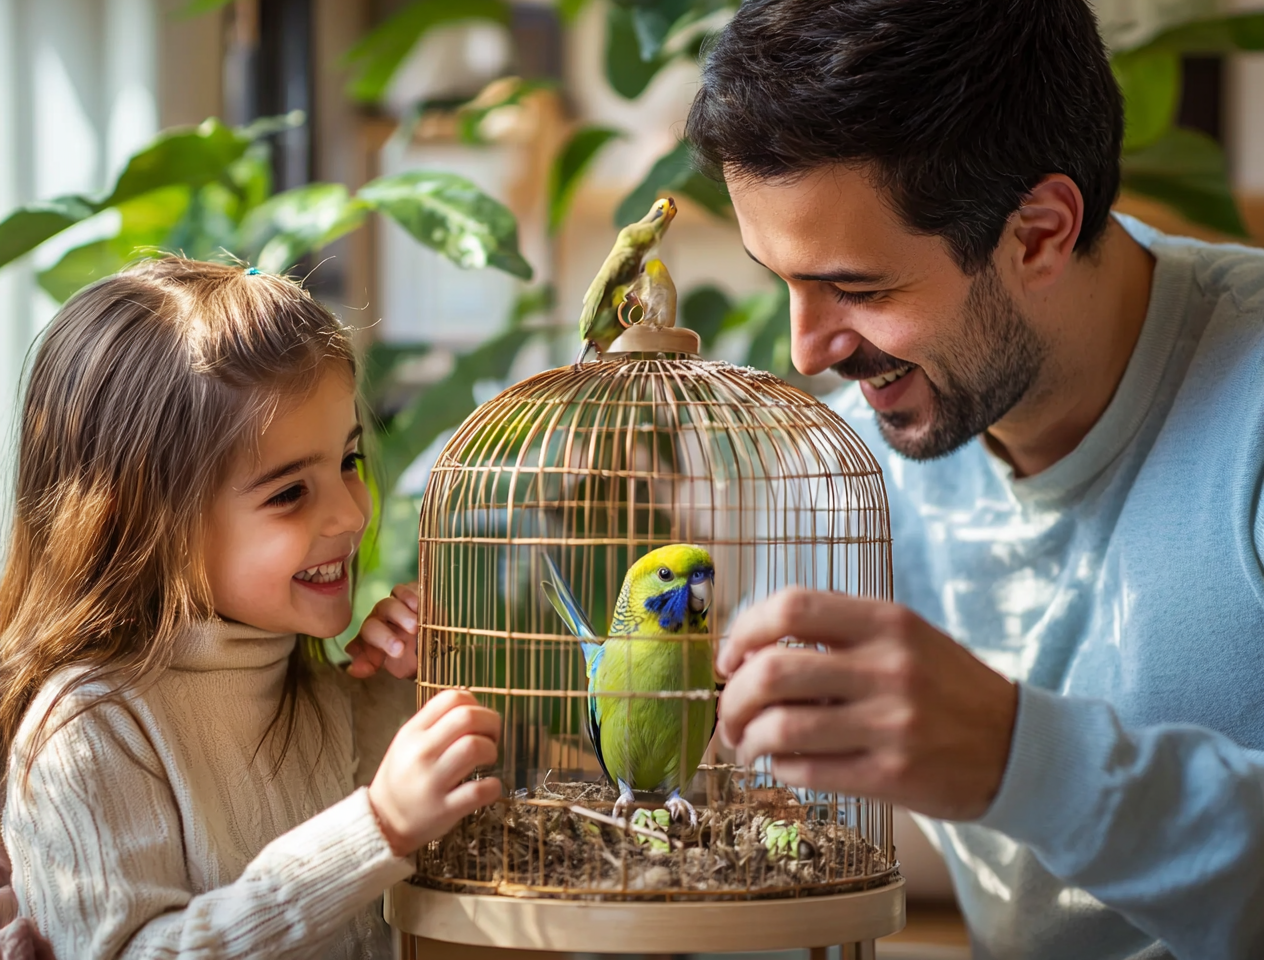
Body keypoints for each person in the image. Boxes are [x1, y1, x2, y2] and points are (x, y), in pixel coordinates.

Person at [687, 1, 1264, 958]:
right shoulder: (853, 471)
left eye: (861, 290)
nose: (808, 349)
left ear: (1039, 232)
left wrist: (1018, 758)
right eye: (779, 279)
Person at [0, 259, 503, 958]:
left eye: (349, 463)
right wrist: (375, 829)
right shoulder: (91, 729)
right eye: (289, 493)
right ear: (142, 520)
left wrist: (414, 690)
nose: (351, 514)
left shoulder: (332, 693)